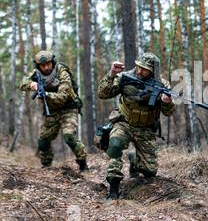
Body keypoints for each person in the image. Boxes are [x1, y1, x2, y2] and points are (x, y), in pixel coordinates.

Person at [97, 52, 175, 200]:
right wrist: (112, 74)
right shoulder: (124, 77)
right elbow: (102, 93)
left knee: (149, 172)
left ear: (152, 70)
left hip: (145, 129)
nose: (139, 71)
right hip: (124, 122)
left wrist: (167, 102)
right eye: (138, 67)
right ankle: (113, 189)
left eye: (144, 69)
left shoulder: (162, 85)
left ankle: (134, 160)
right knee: (115, 145)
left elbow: (169, 113)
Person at [19, 51, 88, 171]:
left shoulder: (62, 72)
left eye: (48, 64)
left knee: (69, 136)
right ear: (38, 66)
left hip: (69, 108)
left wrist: (46, 94)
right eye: (43, 65)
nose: (46, 67)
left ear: (52, 62)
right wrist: (32, 85)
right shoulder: (37, 73)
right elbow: (22, 84)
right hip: (52, 111)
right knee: (43, 140)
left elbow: (62, 97)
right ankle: (46, 166)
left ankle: (82, 163)